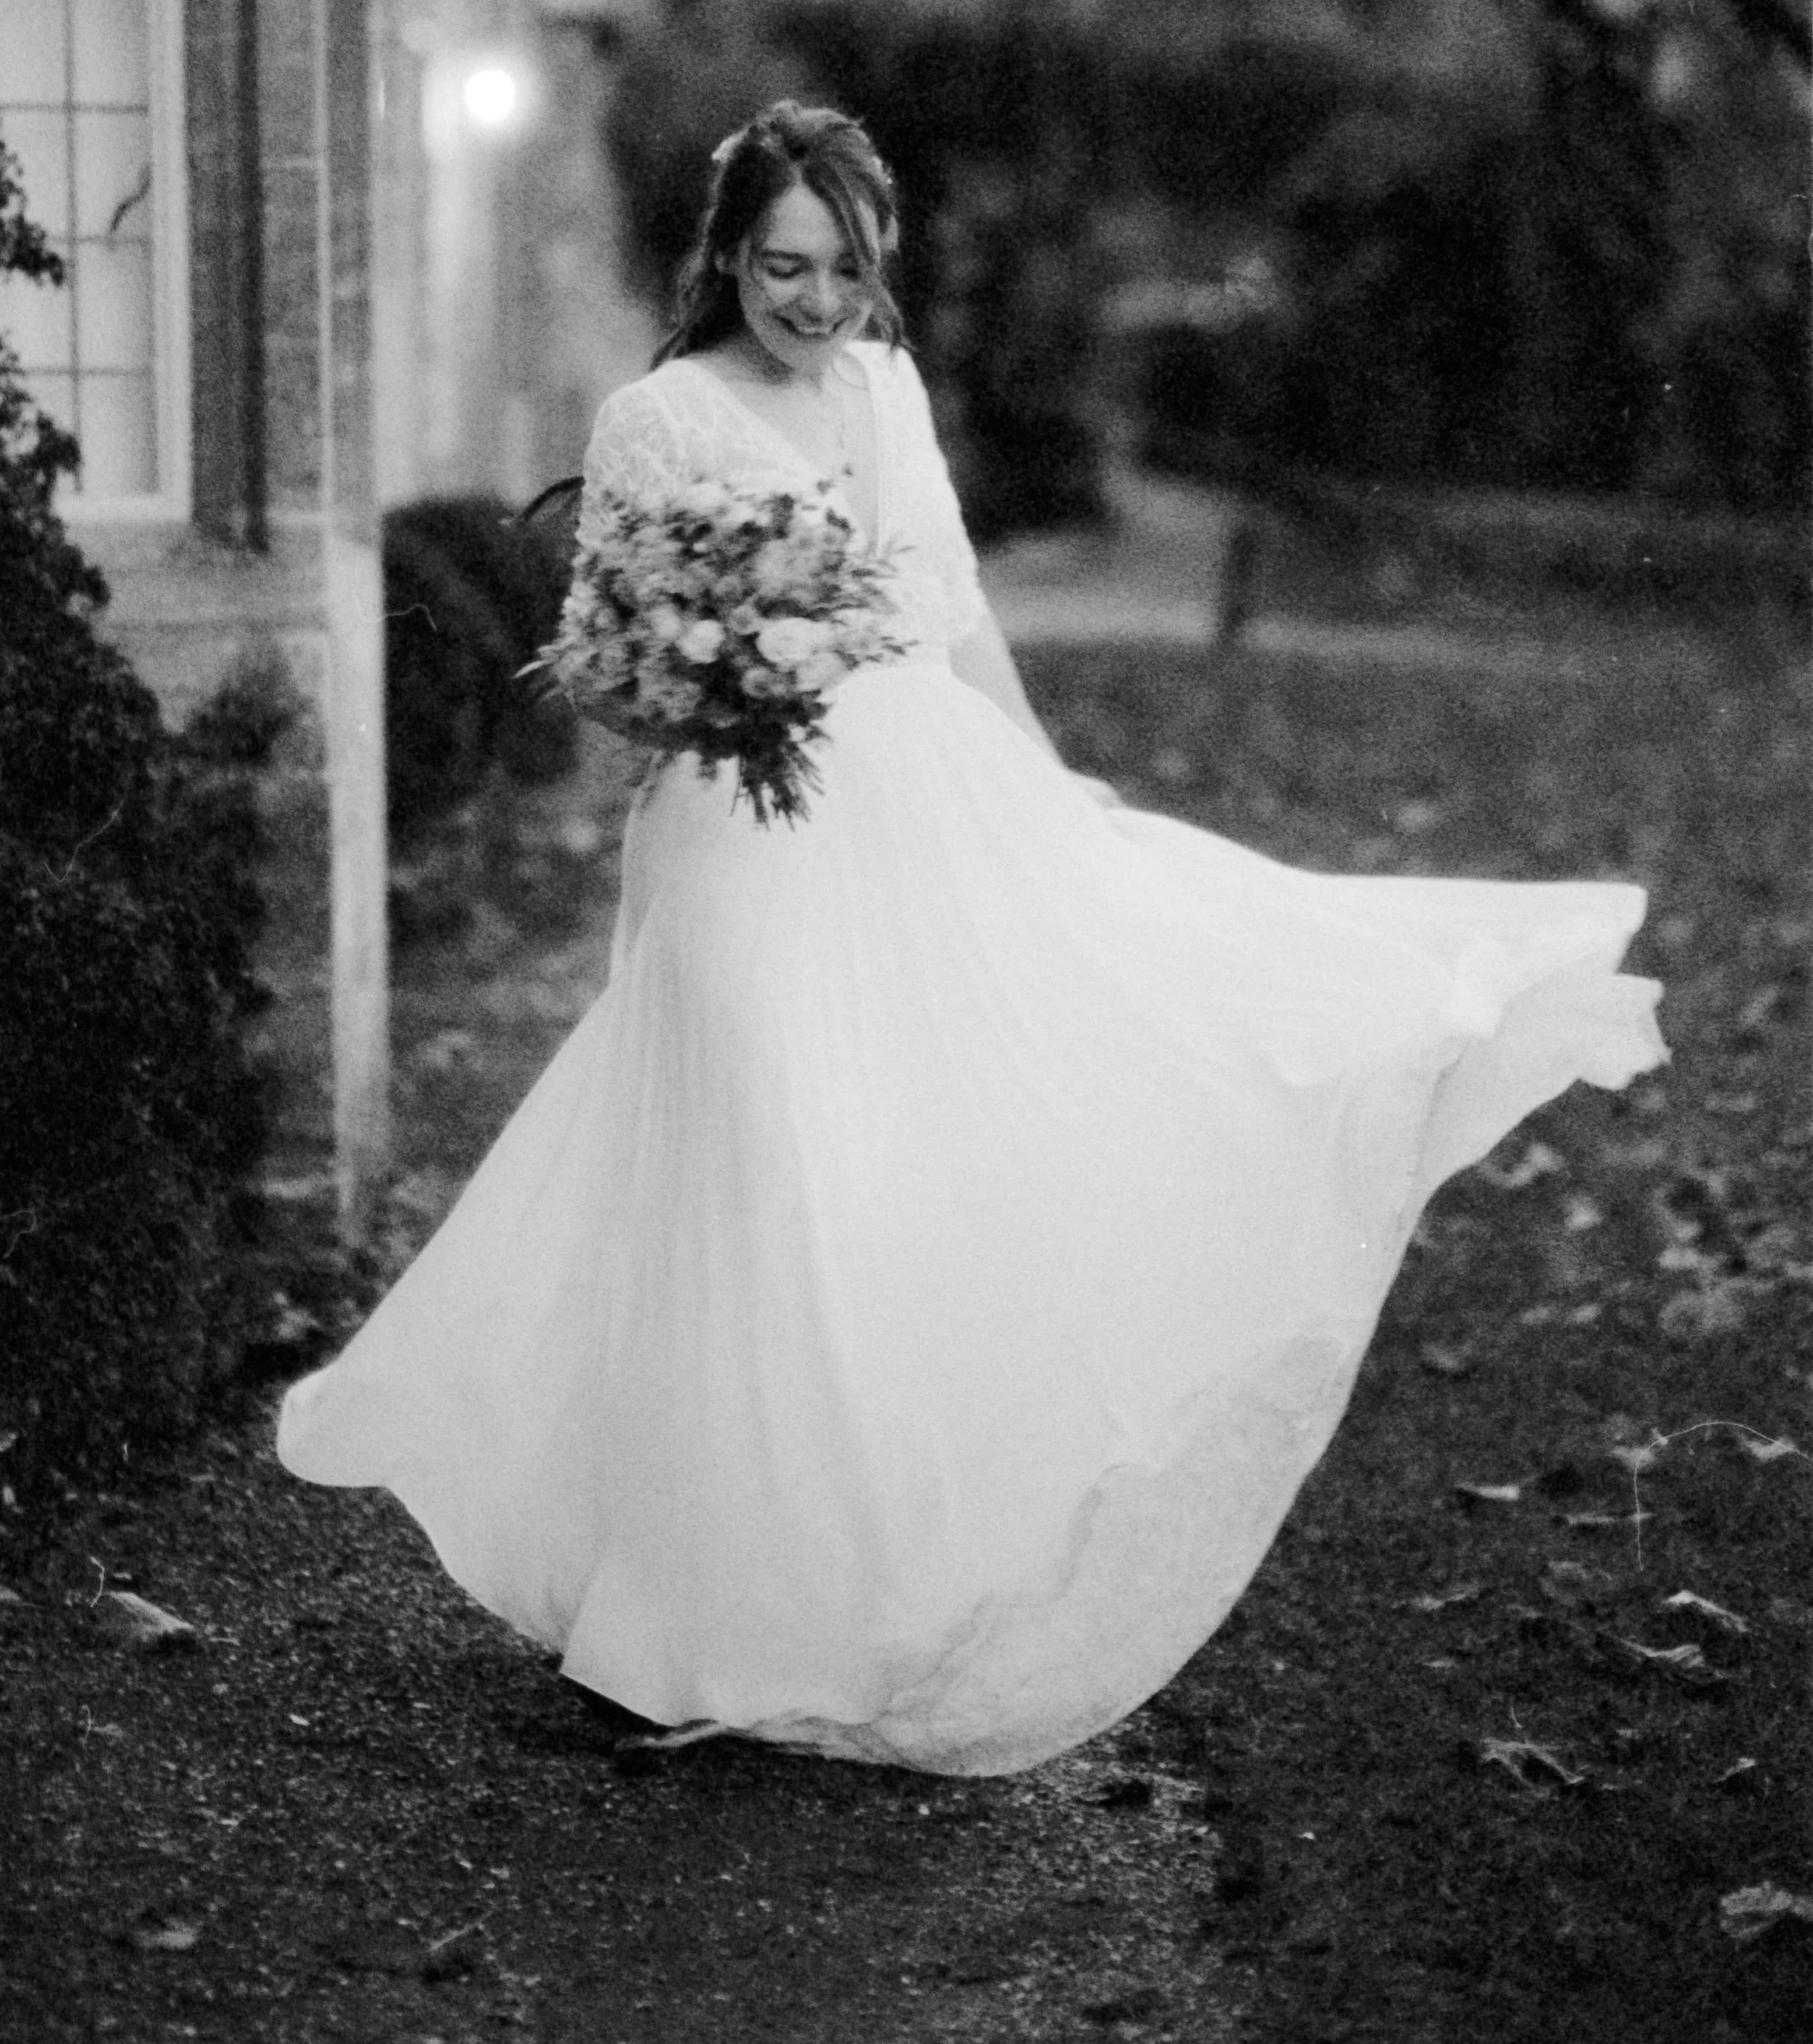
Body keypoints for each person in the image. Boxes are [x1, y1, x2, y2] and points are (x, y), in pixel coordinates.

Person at [278, 99, 1665, 1777]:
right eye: (783, 266)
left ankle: (815, 1603)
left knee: (877, 1192)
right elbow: (604, 670)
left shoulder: (884, 386)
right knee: (749, 1171)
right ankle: (660, 1624)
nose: (815, 300)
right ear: (726, 258)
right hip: (734, 839)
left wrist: (1048, 791)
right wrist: (702, 677)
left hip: (916, 812)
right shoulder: (655, 416)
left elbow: (951, 614)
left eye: (844, 269)